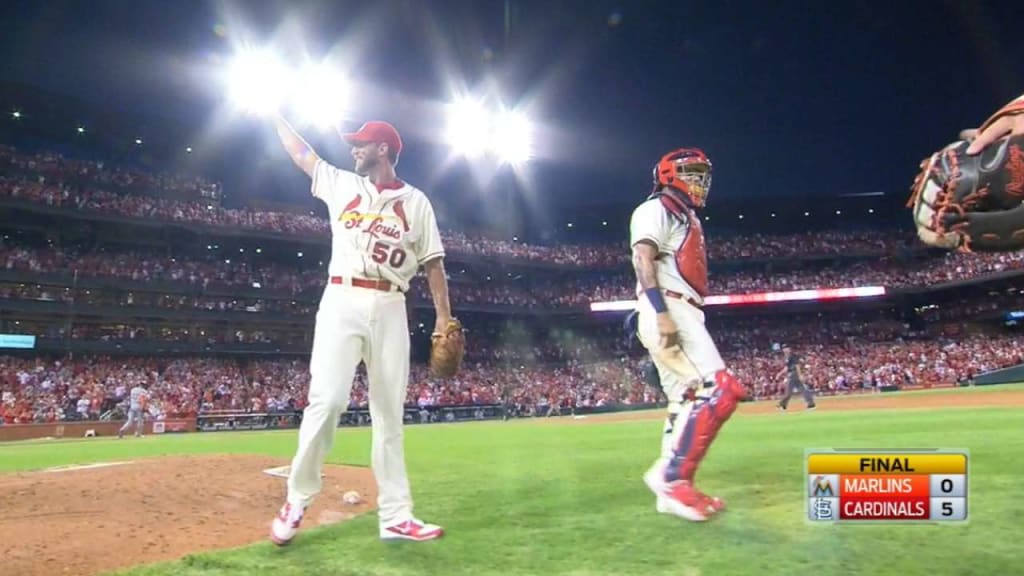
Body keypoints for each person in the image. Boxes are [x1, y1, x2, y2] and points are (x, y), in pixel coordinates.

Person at [268, 116, 453, 544]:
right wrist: (274, 116)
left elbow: (434, 262)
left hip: (392, 303)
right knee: (328, 401)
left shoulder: (416, 201)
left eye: (361, 144)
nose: (354, 150)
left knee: (390, 415)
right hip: (341, 299)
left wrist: (444, 317)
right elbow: (302, 154)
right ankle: (296, 499)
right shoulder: (341, 184)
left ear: (383, 149)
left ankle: (396, 515)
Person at [629, 148, 748, 522]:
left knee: (686, 399)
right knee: (721, 389)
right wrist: (662, 313)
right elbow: (641, 259)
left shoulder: (685, 215)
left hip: (682, 307)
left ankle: (671, 491)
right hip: (668, 306)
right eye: (691, 173)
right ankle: (674, 478)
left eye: (702, 174)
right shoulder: (655, 208)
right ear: (668, 174)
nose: (700, 181)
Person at [774, 344, 816, 412]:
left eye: (786, 348)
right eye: (784, 348)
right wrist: (780, 373)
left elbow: (797, 365)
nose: (785, 349)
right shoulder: (788, 357)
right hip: (793, 374)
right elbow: (787, 368)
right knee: (802, 389)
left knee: (788, 391)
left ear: (789, 349)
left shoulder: (793, 356)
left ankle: (782, 405)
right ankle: (811, 404)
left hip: (794, 374)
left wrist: (800, 375)